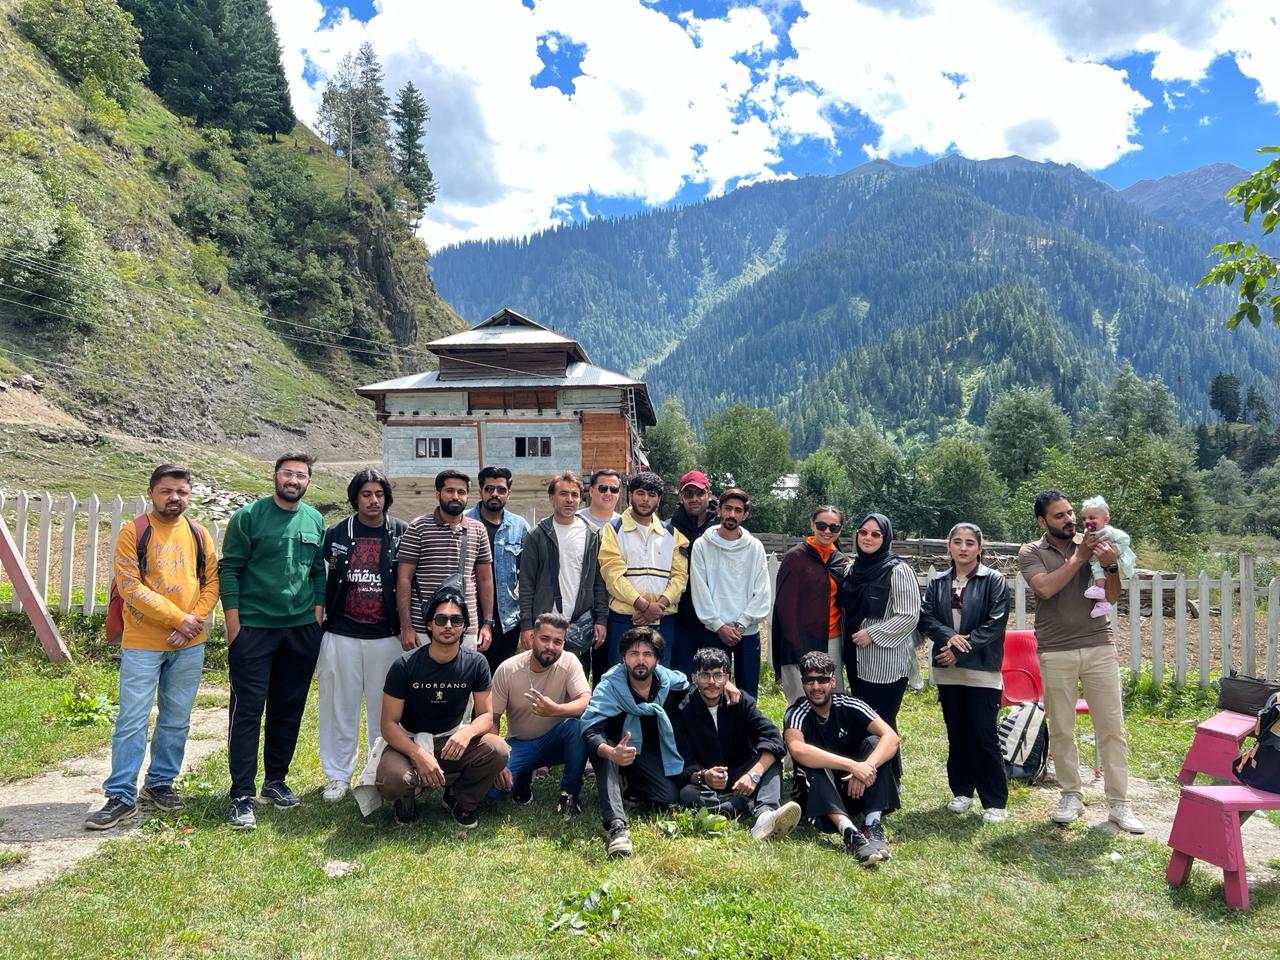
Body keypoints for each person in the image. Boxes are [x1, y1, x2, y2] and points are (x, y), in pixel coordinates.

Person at [84, 464, 220, 830]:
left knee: (176, 718)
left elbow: (211, 583)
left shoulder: (198, 533)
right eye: (167, 491)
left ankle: (160, 783)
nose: (174, 498)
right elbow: (130, 587)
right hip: (143, 642)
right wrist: (180, 620)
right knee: (132, 718)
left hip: (189, 645)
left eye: (182, 492)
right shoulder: (134, 532)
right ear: (151, 492)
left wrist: (191, 624)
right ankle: (120, 795)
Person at [1017, 490, 1144, 834]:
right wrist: (1081, 556)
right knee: (1062, 728)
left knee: (1111, 728)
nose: (1070, 519)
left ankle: (1119, 804)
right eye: (1059, 515)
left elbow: (1113, 594)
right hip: (1055, 648)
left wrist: (1111, 564)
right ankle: (1071, 795)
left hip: (1099, 644)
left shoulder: (1094, 539)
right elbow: (1045, 589)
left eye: (1070, 512)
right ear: (1042, 521)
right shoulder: (1031, 552)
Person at [219, 452, 326, 829]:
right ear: (275, 476)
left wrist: (316, 610)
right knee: (248, 710)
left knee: (288, 707)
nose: (293, 480)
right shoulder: (248, 517)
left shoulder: (314, 519)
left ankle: (275, 782)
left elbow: (316, 570)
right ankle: (241, 795)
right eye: (287, 473)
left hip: (300, 631)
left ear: (308, 481)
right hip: (253, 629)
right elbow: (229, 568)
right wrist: (234, 622)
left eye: (301, 475)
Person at [374, 589, 509, 827]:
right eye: (441, 619)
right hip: (409, 741)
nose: (448, 625)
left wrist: (465, 734)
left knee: (498, 750)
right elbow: (388, 724)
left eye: (456, 620)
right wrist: (417, 754)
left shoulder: (476, 663)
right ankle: (406, 801)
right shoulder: (404, 665)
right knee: (393, 779)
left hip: (450, 739)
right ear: (429, 625)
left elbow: (486, 715)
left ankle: (459, 799)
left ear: (464, 626)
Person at [316, 469, 407, 802]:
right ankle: (338, 775)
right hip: (343, 633)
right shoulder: (337, 532)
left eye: (379, 494)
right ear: (355, 498)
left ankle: (377, 771)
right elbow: (319, 576)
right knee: (339, 705)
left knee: (384, 709)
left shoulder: (401, 531)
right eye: (366, 494)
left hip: (387, 635)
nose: (373, 500)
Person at [918, 522, 1009, 822]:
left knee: (983, 735)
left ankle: (994, 801)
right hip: (947, 670)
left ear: (980, 548)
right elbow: (927, 617)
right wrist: (948, 639)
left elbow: (994, 624)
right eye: (957, 541)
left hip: (981, 670)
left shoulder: (994, 580)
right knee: (957, 734)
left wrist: (960, 650)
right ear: (949, 547)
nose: (963, 547)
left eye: (970, 542)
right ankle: (962, 791)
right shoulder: (939, 582)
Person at [580, 626, 690, 856]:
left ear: (657, 659)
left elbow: (696, 686)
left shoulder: (669, 683)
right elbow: (589, 730)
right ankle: (617, 826)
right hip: (615, 750)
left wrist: (727, 684)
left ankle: (631, 785)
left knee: (668, 797)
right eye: (634, 654)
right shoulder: (609, 687)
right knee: (606, 753)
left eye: (647, 654)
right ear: (623, 658)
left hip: (644, 755)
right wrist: (610, 752)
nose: (640, 660)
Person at [783, 651, 901, 864]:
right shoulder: (797, 712)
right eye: (809, 681)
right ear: (802, 683)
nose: (816, 687)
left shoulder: (849, 704)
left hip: (857, 788)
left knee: (876, 746)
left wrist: (866, 766)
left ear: (833, 681)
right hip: (818, 793)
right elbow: (797, 749)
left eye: (822, 680)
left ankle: (872, 826)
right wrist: (852, 766)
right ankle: (850, 834)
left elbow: (891, 737)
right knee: (812, 762)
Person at [672, 647, 800, 840]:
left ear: (727, 678)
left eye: (718, 675)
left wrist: (753, 774)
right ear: (694, 678)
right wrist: (704, 776)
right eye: (705, 675)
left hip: (743, 769)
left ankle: (765, 814)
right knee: (687, 795)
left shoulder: (741, 700)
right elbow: (682, 764)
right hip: (707, 778)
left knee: (771, 762)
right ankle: (741, 805)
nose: (712, 683)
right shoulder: (683, 709)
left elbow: (773, 738)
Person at [839, 513, 920, 781]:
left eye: (876, 534)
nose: (868, 538)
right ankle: (875, 775)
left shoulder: (898, 571)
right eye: (864, 533)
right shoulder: (853, 568)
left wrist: (872, 633)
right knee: (865, 719)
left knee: (882, 722)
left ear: (886, 538)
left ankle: (888, 780)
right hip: (856, 657)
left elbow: (909, 615)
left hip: (885, 661)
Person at [490, 611, 591, 816]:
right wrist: (496, 760)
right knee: (493, 791)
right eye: (545, 639)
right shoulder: (508, 669)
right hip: (520, 743)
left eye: (557, 641)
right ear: (532, 637)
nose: (551, 647)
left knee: (577, 726)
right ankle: (523, 777)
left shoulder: (569, 661)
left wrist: (555, 710)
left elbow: (584, 701)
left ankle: (569, 794)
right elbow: (492, 719)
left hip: (558, 742)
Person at [517, 471, 608, 681]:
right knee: (539, 684)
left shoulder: (591, 534)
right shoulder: (537, 535)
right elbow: (527, 584)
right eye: (563, 494)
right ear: (551, 498)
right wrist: (527, 625)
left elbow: (598, 580)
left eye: (575, 495)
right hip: (545, 626)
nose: (569, 500)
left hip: (579, 625)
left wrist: (601, 619)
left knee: (576, 685)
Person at [395, 469, 495, 652]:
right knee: (422, 680)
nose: (456, 496)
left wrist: (487, 624)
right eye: (450, 491)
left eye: (461, 492)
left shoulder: (478, 530)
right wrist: (406, 626)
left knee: (463, 680)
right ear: (438, 494)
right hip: (423, 628)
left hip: (466, 626)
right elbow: (404, 579)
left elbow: (485, 580)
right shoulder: (418, 528)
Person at [598, 471, 689, 668]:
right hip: (625, 618)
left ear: (659, 499)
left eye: (652, 494)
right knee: (621, 678)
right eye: (640, 493)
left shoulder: (673, 534)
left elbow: (680, 577)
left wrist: (659, 606)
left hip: (663, 619)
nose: (646, 499)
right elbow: (612, 574)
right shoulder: (613, 530)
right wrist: (643, 606)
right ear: (630, 495)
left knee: (659, 679)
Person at [689, 487, 771, 697]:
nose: (732, 514)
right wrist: (718, 625)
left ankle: (746, 730)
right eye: (728, 508)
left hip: (747, 630)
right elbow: (700, 589)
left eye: (737, 510)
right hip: (715, 630)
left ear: (745, 514)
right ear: (718, 510)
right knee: (712, 690)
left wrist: (742, 624)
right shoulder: (702, 545)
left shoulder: (754, 547)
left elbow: (762, 590)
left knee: (747, 692)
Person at [771, 506, 849, 706]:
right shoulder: (795, 558)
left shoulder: (840, 560)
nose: (827, 531)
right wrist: (797, 649)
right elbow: (784, 609)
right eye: (822, 525)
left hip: (832, 640)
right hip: (799, 641)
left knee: (833, 700)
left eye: (834, 527)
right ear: (812, 525)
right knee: (802, 702)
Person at [465, 465, 529, 673]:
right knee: (463, 679)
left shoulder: (519, 527)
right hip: (466, 616)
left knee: (497, 682)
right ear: (481, 491)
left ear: (508, 493)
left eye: (501, 490)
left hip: (506, 620)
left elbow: (529, 576)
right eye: (489, 488)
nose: (495, 494)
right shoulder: (463, 522)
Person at [670, 469, 719, 675]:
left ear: (709, 493)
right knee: (681, 674)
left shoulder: (720, 528)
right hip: (683, 615)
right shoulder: (670, 528)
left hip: (716, 614)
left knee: (715, 674)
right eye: (688, 494)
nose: (694, 499)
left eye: (699, 493)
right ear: (681, 497)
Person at [1079, 496, 1136, 619]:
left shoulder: (1109, 531)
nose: (1087, 521)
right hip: (1099, 560)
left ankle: (1100, 591)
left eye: (1092, 518)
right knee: (1095, 572)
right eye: (1084, 518)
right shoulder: (1087, 532)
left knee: (1097, 569)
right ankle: (1103, 602)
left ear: (1105, 519)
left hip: (1115, 560)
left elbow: (1126, 539)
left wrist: (1116, 550)